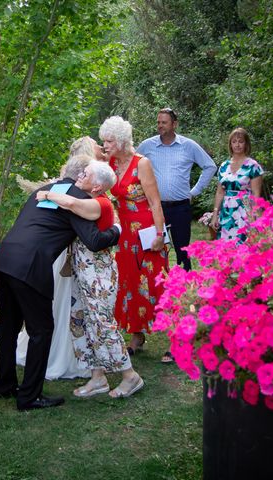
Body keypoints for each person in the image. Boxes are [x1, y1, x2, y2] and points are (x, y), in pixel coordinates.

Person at [0, 156, 121, 411]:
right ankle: (29, 396)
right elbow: (94, 241)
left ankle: (5, 386)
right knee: (41, 330)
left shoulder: (44, 190)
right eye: (84, 173)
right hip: (29, 267)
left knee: (9, 327)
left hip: (4, 259)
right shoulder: (80, 201)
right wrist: (117, 230)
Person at [38, 159, 144, 398]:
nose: (80, 175)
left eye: (86, 174)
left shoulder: (101, 204)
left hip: (99, 276)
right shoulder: (91, 200)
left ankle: (130, 376)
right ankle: (98, 378)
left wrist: (47, 193)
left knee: (104, 324)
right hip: (83, 273)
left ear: (97, 186)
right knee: (84, 322)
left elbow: (71, 203)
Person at [101, 116, 169, 361]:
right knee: (130, 282)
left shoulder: (142, 163)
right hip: (125, 232)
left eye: (109, 141)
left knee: (155, 282)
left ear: (120, 141)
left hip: (147, 230)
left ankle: (174, 339)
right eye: (104, 141)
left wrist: (161, 235)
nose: (105, 145)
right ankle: (137, 336)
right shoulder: (110, 164)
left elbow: (155, 202)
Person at [137, 108, 216, 271]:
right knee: (153, 248)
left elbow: (210, 166)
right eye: (158, 122)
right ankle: (157, 284)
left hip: (180, 207)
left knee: (183, 251)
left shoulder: (188, 145)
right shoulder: (147, 145)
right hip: (154, 207)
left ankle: (185, 285)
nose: (160, 126)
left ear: (175, 124)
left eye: (164, 122)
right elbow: (133, 167)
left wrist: (194, 192)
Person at [210, 128, 264, 243]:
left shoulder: (253, 166)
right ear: (230, 145)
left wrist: (254, 217)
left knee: (244, 246)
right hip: (226, 212)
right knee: (226, 248)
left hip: (245, 210)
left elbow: (256, 194)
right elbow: (220, 192)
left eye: (241, 141)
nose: (237, 145)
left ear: (246, 144)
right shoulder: (224, 166)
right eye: (234, 142)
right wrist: (215, 214)